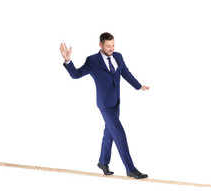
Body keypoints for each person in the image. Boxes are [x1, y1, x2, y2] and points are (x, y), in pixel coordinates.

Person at [59, 32, 149, 179]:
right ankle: (131, 169)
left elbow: (125, 73)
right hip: (105, 105)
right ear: (100, 45)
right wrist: (68, 61)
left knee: (110, 133)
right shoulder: (93, 60)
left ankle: (103, 162)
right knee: (119, 133)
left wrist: (139, 86)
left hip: (116, 102)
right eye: (108, 46)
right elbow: (76, 74)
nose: (111, 48)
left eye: (113, 45)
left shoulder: (118, 56)